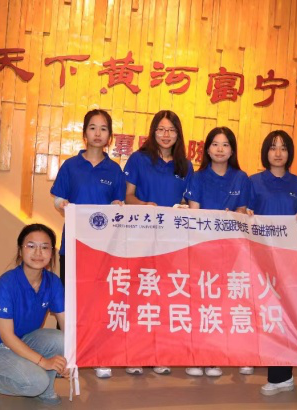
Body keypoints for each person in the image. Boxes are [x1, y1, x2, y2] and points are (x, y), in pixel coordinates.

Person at [49, 108, 125, 379]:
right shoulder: (70, 166)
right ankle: (66, 357)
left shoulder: (114, 170)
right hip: (73, 245)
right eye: (93, 127)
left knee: (99, 302)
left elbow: (118, 202)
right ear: (84, 133)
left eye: (103, 128)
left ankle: (98, 356)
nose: (97, 133)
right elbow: (58, 199)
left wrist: (118, 205)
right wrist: (62, 204)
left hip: (102, 249)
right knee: (69, 301)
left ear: (109, 136)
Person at [123, 110, 193, 375]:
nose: (166, 135)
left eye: (171, 130)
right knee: (138, 296)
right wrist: (144, 205)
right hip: (140, 237)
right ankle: (133, 355)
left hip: (171, 243)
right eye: (161, 129)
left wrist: (184, 207)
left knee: (163, 298)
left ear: (178, 134)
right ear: (153, 132)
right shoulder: (139, 159)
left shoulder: (185, 165)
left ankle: (157, 353)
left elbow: (188, 201)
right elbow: (128, 196)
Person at [0, 224, 67, 405]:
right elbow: (6, 337)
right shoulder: (6, 283)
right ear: (21, 251)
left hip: (21, 339)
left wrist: (72, 359)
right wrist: (43, 362)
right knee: (36, 383)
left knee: (61, 339)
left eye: (45, 247)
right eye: (31, 246)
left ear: (51, 253)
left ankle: (46, 388)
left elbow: (65, 323)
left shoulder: (53, 282)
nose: (38, 253)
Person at [183, 126, 251, 377]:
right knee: (199, 303)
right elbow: (194, 215)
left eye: (225, 144)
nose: (220, 149)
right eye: (215, 144)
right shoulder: (198, 177)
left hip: (230, 252)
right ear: (207, 149)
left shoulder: (241, 178)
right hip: (201, 250)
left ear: (232, 150)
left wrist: (238, 217)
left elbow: (242, 213)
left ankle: (213, 358)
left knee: (221, 305)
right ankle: (195, 356)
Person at [249, 130, 297, 383]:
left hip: (286, 256)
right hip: (259, 254)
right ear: (266, 151)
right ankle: (253, 354)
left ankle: (280, 361)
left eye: (283, 148)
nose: (278, 153)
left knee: (283, 308)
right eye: (273, 147)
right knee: (257, 303)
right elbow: (246, 215)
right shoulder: (253, 181)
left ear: (289, 153)